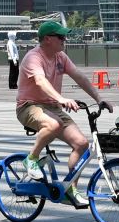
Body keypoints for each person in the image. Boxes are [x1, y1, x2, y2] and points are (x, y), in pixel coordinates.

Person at [16, 20, 110, 207]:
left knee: (82, 144)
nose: (64, 40)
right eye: (61, 37)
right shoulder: (33, 58)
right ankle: (31, 159)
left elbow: (80, 77)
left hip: (53, 108)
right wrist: (61, 98)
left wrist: (100, 99)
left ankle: (70, 189)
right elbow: (41, 81)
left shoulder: (60, 57)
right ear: (48, 39)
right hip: (29, 106)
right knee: (53, 124)